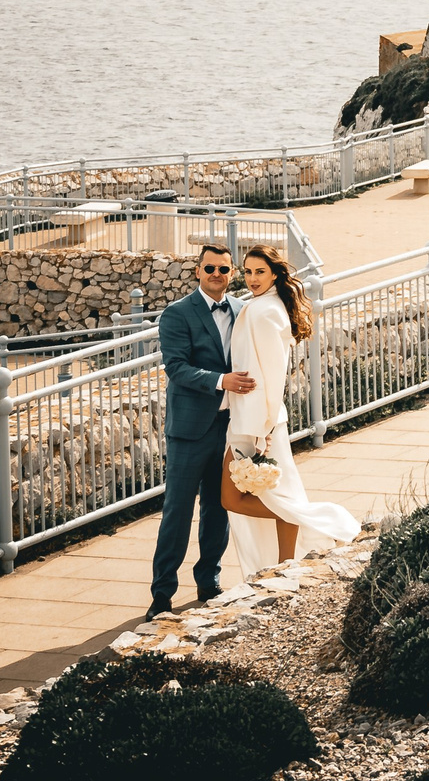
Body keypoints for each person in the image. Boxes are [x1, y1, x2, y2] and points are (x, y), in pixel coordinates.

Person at [223, 245, 360, 570]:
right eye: (248, 271)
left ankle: (316, 526)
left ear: (274, 274)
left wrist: (263, 430)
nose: (252, 278)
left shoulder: (266, 311)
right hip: (249, 418)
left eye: (260, 272)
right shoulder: (262, 305)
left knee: (237, 498)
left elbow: (271, 375)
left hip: (257, 422)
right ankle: (285, 562)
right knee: (274, 495)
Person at [148, 243, 254, 617]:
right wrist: (221, 380)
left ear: (232, 274)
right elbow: (175, 367)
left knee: (218, 509)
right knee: (176, 511)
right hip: (190, 430)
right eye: (210, 268)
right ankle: (162, 594)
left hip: (229, 428)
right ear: (198, 271)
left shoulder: (244, 311)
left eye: (224, 270)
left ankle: (209, 582)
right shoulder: (177, 314)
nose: (216, 275)